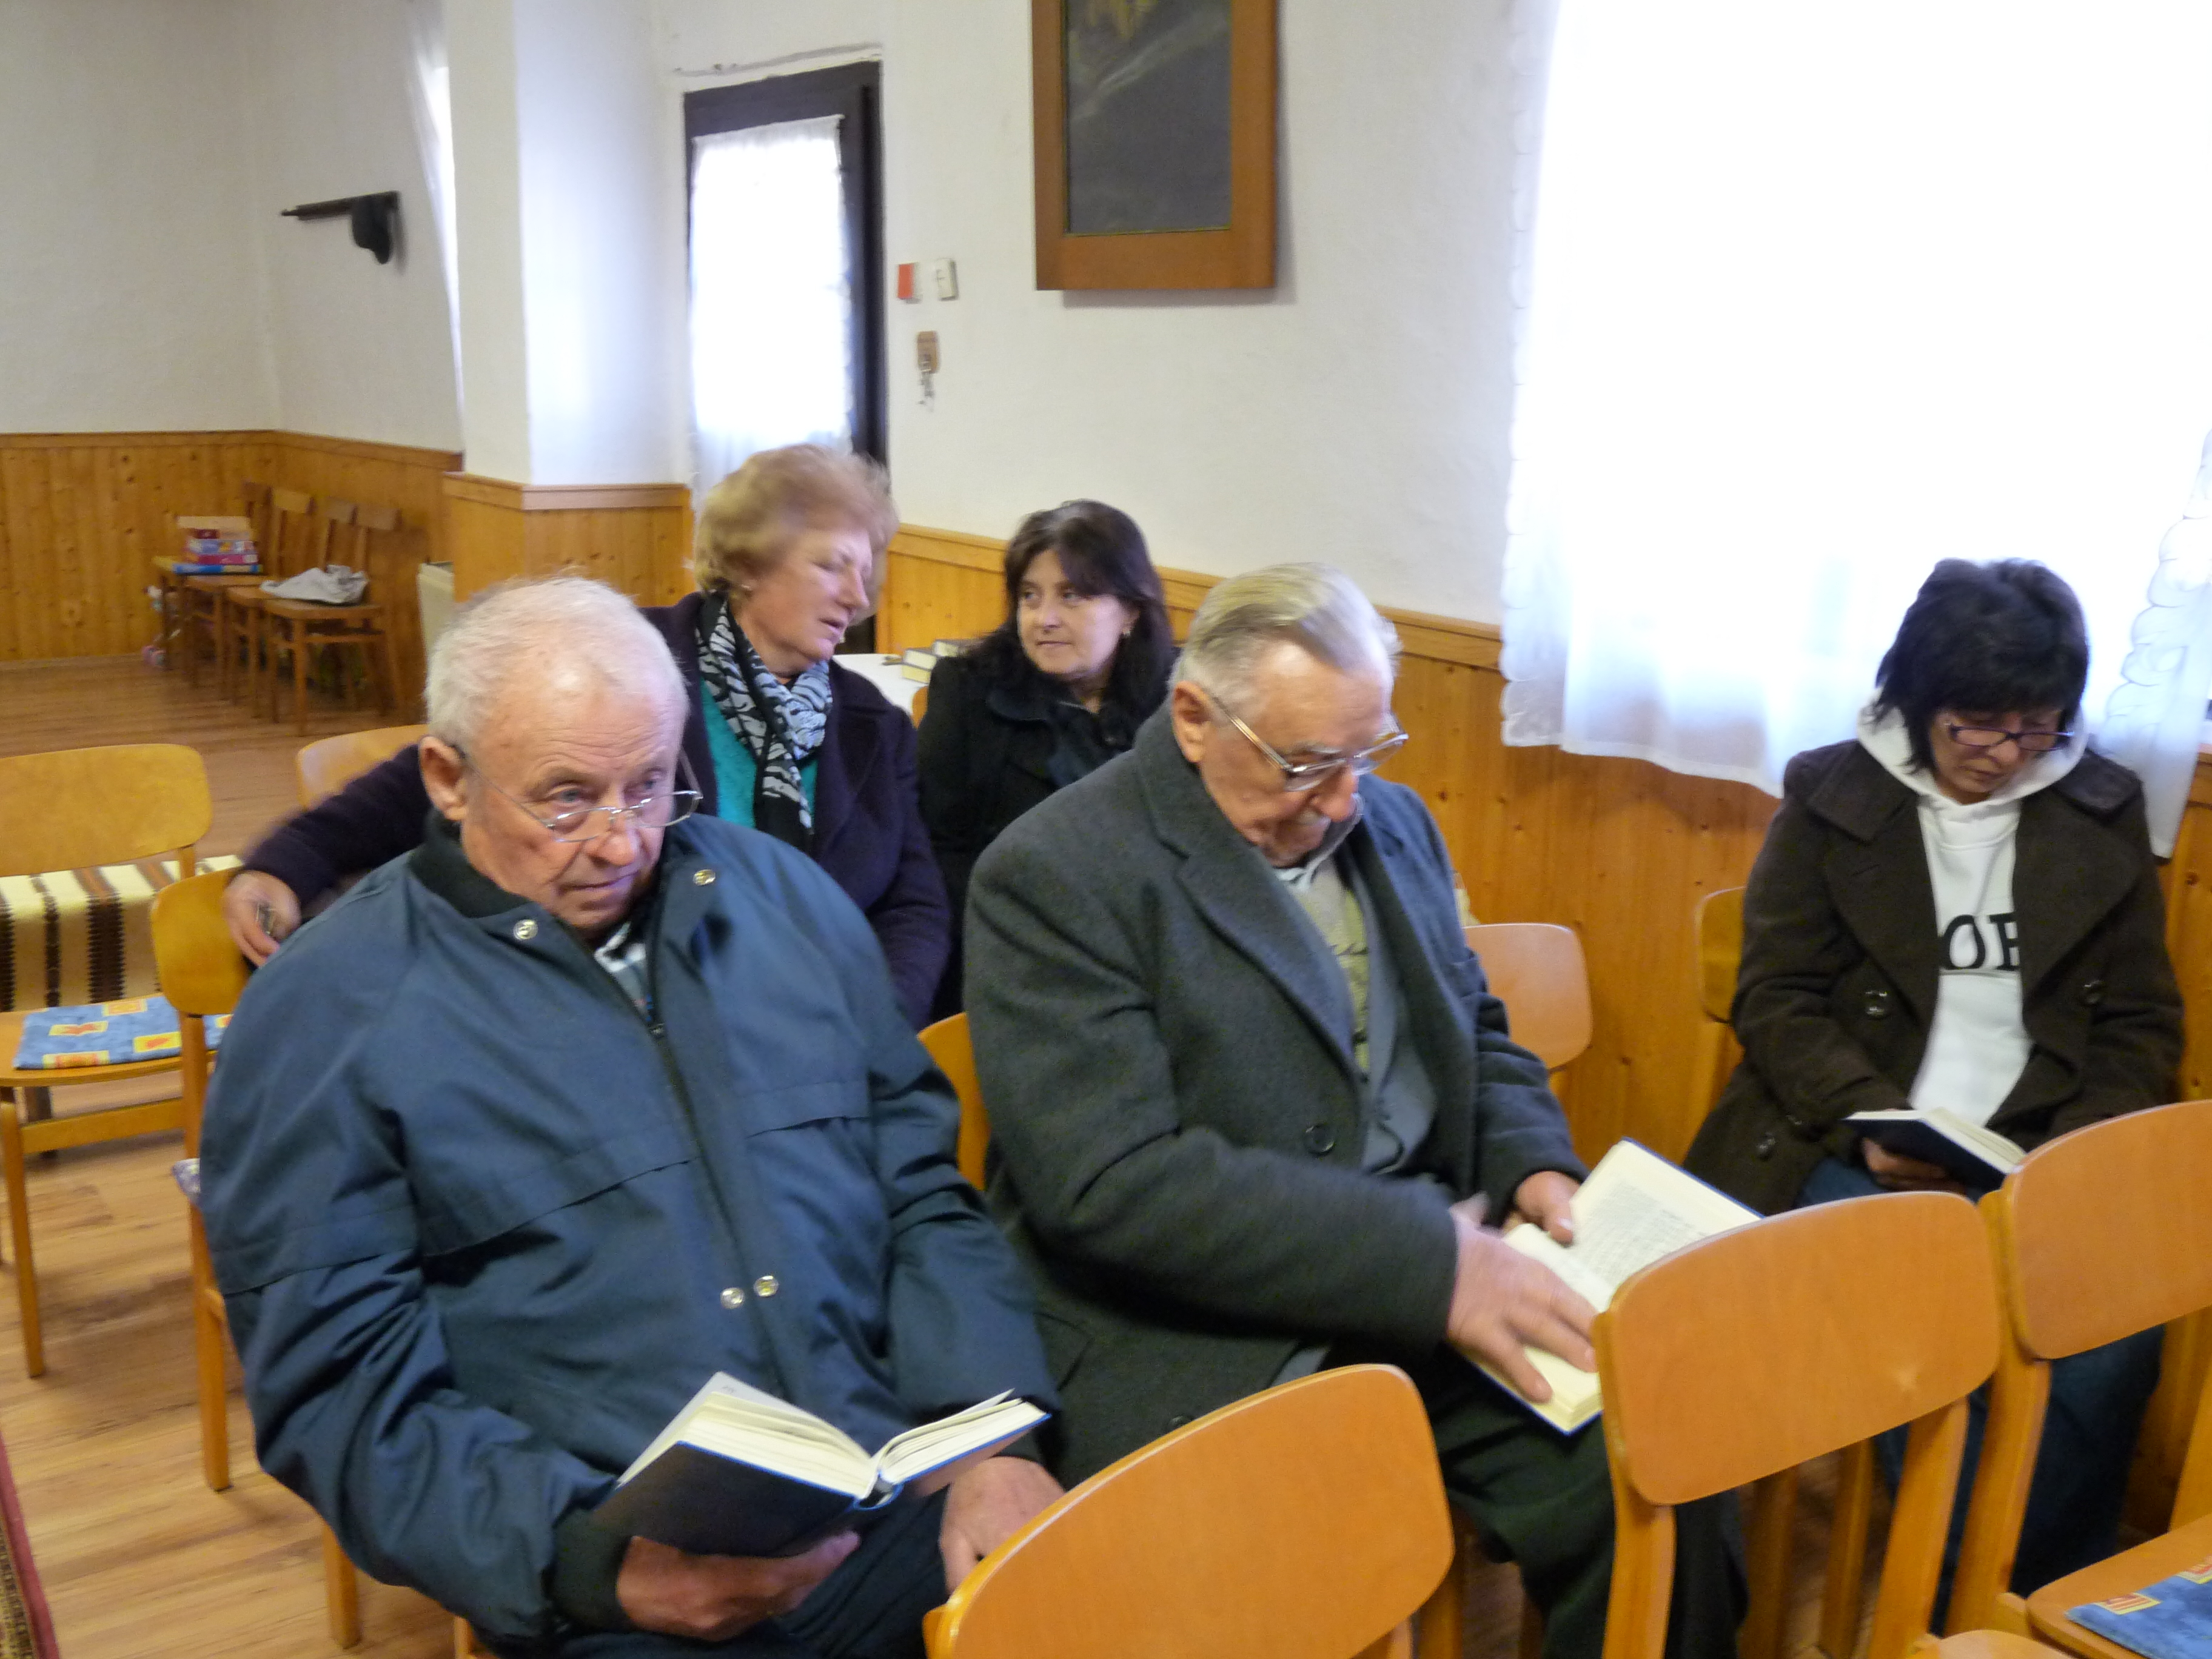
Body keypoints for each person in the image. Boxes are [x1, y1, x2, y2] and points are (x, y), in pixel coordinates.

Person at [199, 577, 1059, 1658]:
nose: (621, 843)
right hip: (615, 1561)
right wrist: (595, 1567)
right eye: (566, 799)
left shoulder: (790, 905)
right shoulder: (326, 1014)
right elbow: (345, 1396)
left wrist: (991, 1433)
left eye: (650, 785)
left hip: (899, 1481)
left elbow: (922, 1194)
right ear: (448, 779)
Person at [963, 563, 1741, 1659]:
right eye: (1306, 763)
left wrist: (1532, 1168)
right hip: (1211, 1326)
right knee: (1299, 1580)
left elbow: (1475, 1028)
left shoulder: (1394, 822)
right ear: (1193, 717)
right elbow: (1114, 1185)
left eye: (1366, 754)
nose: (1340, 800)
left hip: (1434, 1275)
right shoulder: (1056, 870)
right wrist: (1430, 1259)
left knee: (1659, 1474)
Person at [1685, 557, 2181, 1600]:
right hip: (1853, 1134)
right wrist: (1869, 1122)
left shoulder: (2097, 806)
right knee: (1921, 1303)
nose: (2004, 754)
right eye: (1976, 727)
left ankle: (2029, 1598)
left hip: (2037, 1146)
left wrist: (2070, 1164)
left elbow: (2138, 1025)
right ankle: (1958, 1587)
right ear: (1918, 701)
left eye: (2035, 728)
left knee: (2110, 1338)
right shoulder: (1834, 795)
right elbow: (1776, 998)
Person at [221, 444, 950, 1027]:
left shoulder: (872, 723)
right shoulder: (625, 661)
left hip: (821, 1032)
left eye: (866, 573)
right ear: (750, 562)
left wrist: (877, 1025)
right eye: (831, 566)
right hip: (629, 1019)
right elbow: (452, 773)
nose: (858, 596)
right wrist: (287, 862)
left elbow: (914, 904)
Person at [916, 500, 1173, 1013]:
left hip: (1148, 953)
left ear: (1130, 611)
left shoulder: (1177, 700)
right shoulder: (969, 690)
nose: (1044, 619)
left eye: (1071, 596)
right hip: (1008, 951)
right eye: (1029, 596)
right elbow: (937, 848)